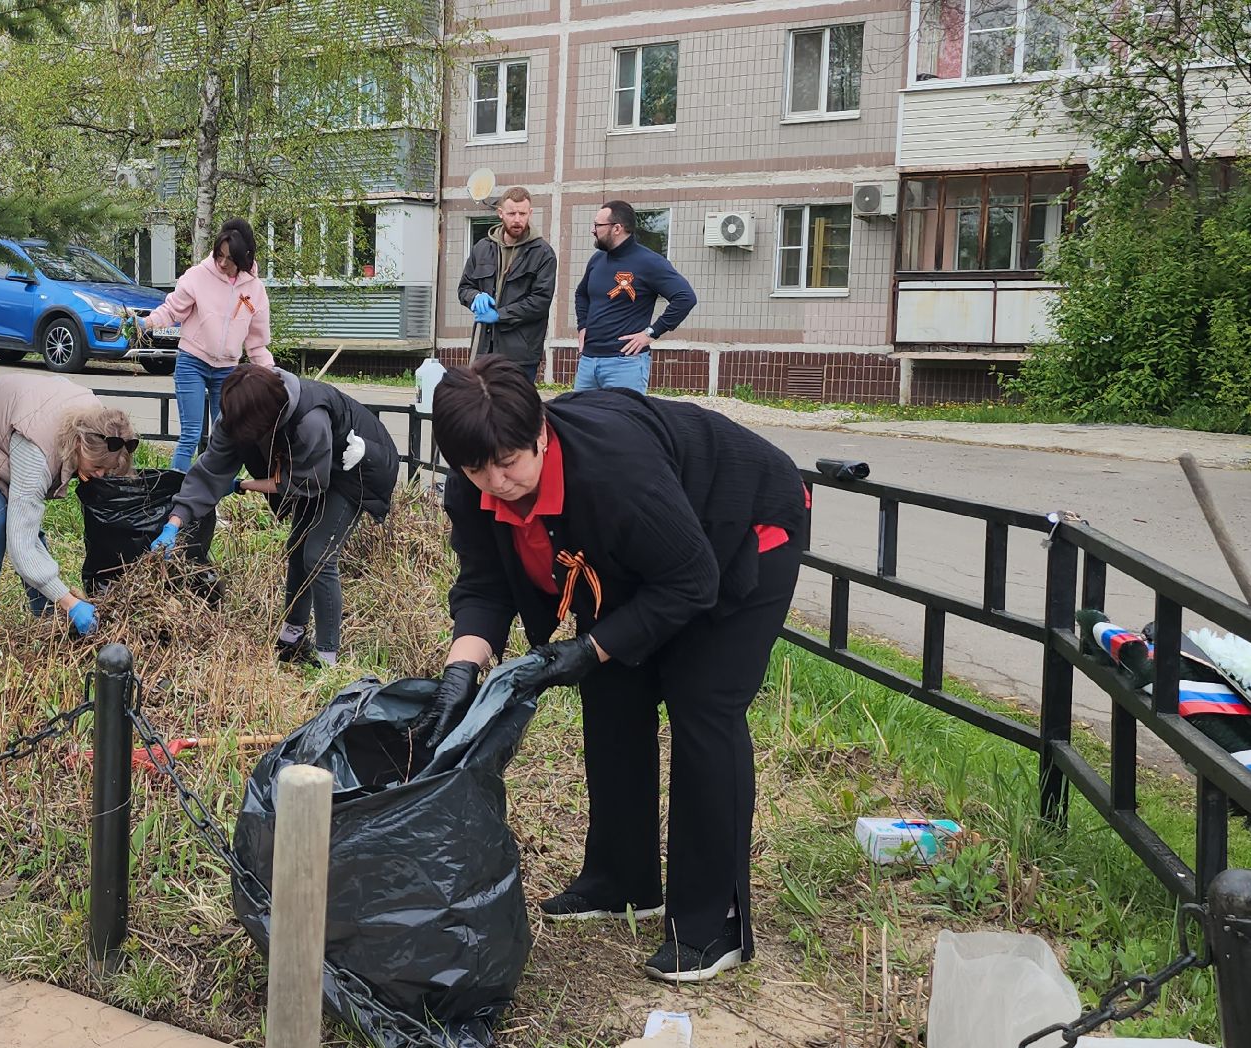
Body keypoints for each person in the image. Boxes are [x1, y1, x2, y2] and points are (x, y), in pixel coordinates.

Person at [411, 355, 808, 983]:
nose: (495, 481)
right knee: (613, 690)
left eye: (509, 463)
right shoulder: (477, 481)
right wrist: (462, 669)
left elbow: (692, 579)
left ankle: (712, 923)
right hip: (644, 556)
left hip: (741, 524)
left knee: (702, 701)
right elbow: (486, 584)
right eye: (475, 469)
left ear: (541, 433)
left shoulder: (616, 473)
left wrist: (585, 648)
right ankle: (622, 879)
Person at [150, 364, 398, 667]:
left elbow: (306, 482)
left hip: (356, 467)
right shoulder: (237, 414)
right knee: (296, 547)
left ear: (270, 420)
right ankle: (292, 634)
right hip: (315, 468)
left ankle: (328, 656)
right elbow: (209, 471)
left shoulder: (309, 420)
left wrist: (242, 484)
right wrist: (174, 523)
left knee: (319, 554)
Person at [0, 373, 140, 658]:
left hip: (5, 430)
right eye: (97, 468)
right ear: (79, 444)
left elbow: (27, 524)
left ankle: (46, 618)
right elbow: (21, 544)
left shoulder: (103, 427)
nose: (100, 475)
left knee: (23, 520)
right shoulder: (37, 449)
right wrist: (70, 602)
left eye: (108, 469)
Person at [139, 218, 274, 471]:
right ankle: (174, 495)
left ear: (244, 257)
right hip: (193, 362)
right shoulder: (198, 276)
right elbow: (172, 311)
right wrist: (145, 324)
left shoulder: (255, 290)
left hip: (227, 371)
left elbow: (256, 345)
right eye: (219, 255)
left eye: (230, 259)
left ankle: (208, 497)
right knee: (190, 434)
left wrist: (272, 375)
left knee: (223, 439)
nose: (222, 263)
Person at [574, 200, 696, 394]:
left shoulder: (649, 262)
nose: (593, 230)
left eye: (598, 225)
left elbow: (685, 297)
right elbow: (581, 294)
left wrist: (651, 333)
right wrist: (582, 327)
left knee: (624, 423)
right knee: (579, 422)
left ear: (617, 228)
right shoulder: (597, 260)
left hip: (625, 365)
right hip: (588, 362)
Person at [458, 187, 557, 385]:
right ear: (500, 213)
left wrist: (499, 315)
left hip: (520, 354)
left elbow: (540, 301)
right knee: (480, 408)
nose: (517, 219)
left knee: (514, 411)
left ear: (530, 213)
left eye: (522, 213)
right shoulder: (483, 248)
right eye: (512, 213)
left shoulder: (542, 253)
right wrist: (475, 297)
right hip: (484, 350)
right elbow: (464, 288)